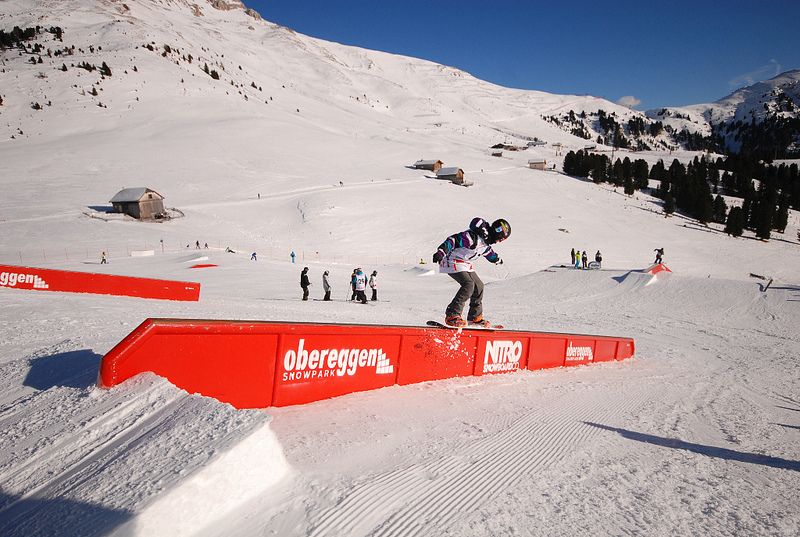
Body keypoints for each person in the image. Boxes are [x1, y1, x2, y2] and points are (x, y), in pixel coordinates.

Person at [432, 217, 510, 327]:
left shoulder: (486, 243)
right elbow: (453, 240)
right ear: (497, 233)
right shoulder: (473, 238)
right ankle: (452, 315)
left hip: (463, 263)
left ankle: (475, 318)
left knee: (479, 286)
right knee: (468, 284)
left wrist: (496, 259)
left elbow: (489, 253)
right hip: (451, 260)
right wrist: (441, 252)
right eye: (501, 239)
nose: (499, 242)